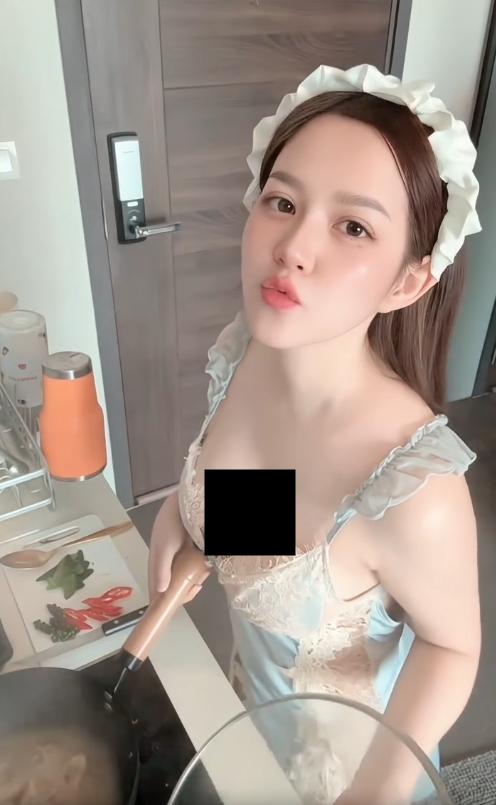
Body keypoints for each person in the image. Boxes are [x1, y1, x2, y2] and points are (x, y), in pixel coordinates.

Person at [149, 64, 482, 803]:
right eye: (283, 201)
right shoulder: (247, 353)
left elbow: (452, 645)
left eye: (353, 226)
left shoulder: (412, 485)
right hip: (245, 725)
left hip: (351, 774)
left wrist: (376, 789)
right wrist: (187, 515)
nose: (294, 246)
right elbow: (278, 509)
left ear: (408, 281)